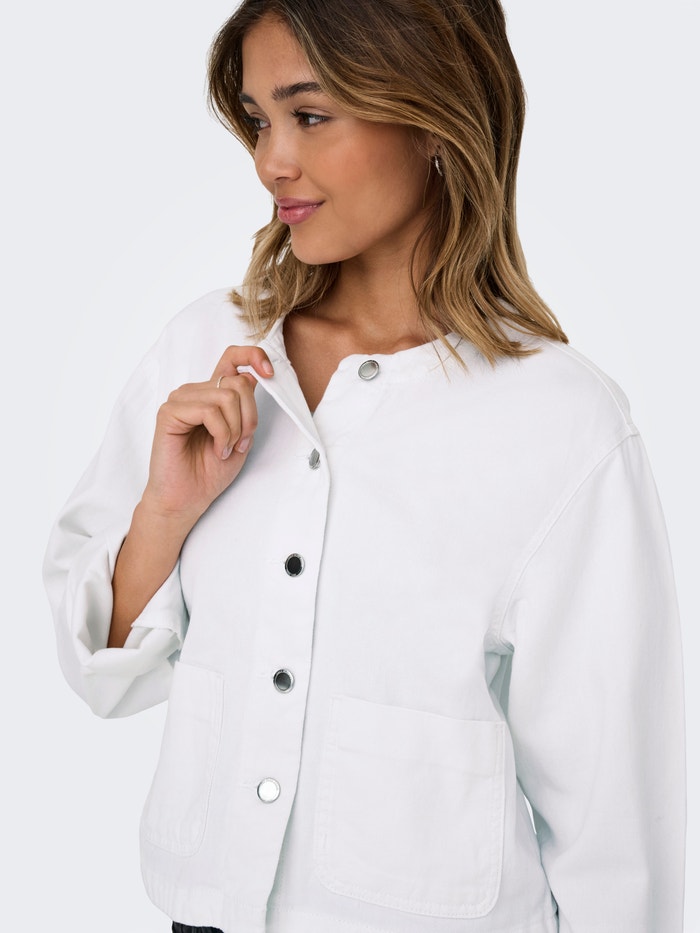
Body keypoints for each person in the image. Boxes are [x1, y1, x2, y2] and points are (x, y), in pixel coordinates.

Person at [43, 0, 686, 931]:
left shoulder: (562, 423)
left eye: (310, 115)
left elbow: (614, 826)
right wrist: (164, 515)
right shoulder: (208, 348)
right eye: (260, 120)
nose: (272, 161)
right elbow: (103, 675)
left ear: (432, 117)